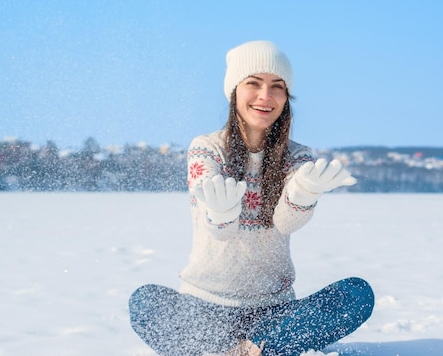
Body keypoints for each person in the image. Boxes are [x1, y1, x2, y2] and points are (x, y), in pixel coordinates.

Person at [129, 40, 374, 356]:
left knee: (357, 293)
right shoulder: (207, 148)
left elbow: (286, 222)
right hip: (204, 307)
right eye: (253, 84)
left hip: (274, 312)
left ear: (286, 98)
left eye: (277, 87)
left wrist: (303, 193)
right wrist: (221, 211)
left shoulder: (296, 155)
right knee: (144, 301)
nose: (265, 96)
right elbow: (221, 231)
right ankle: (237, 350)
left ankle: (255, 347)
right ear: (234, 92)